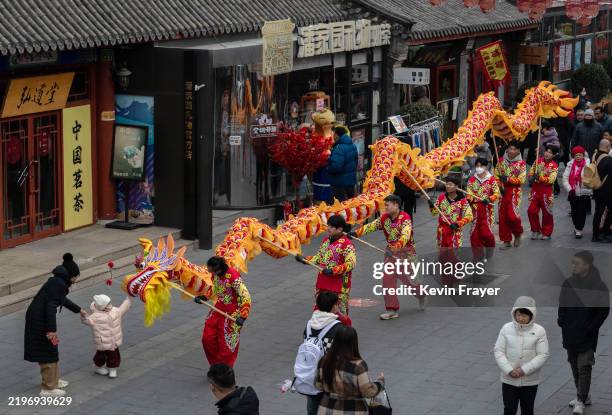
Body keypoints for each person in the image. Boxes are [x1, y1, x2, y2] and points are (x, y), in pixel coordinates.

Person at [351, 194, 426, 319]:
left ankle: (421, 294)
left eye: (387, 205)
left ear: (396, 205)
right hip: (390, 253)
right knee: (387, 279)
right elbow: (371, 226)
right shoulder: (384, 218)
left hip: (406, 252)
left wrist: (396, 248)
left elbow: (405, 236)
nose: (385, 207)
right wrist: (356, 233)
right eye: (384, 205)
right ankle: (392, 309)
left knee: (409, 280)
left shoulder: (405, 218)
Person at [24, 253, 86, 397]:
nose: (76, 280)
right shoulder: (58, 284)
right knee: (47, 353)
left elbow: (61, 300)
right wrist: (51, 330)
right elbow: (50, 308)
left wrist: (79, 310)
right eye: (76, 277)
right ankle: (48, 388)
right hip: (39, 321)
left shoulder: (57, 282)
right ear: (70, 275)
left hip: (39, 318)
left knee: (52, 351)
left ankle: (54, 381)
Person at [558, 251, 610, 414]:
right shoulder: (568, 283)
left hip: (587, 335)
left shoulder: (599, 286)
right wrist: (562, 320)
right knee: (574, 366)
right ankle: (584, 396)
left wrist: (591, 327)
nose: (573, 266)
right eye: (573, 263)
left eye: (577, 263)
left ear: (587, 265)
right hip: (570, 333)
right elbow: (562, 303)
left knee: (584, 367)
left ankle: (580, 399)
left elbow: (603, 311)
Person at [494, 296, 549, 415]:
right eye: (518, 314)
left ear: (531, 315)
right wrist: (509, 370)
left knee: (527, 410)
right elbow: (499, 351)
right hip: (509, 380)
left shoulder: (539, 331)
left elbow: (543, 355)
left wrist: (523, 370)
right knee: (509, 410)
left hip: (530, 381)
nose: (520, 318)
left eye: (524, 315)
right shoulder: (506, 328)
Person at [194, 256, 252, 367]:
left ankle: (224, 371)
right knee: (207, 339)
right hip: (217, 310)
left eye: (213, 271)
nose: (212, 274)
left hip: (232, 314)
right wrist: (205, 297)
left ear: (218, 269)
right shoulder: (216, 275)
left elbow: (246, 296)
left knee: (227, 346)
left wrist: (243, 316)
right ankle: (216, 366)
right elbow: (216, 288)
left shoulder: (234, 276)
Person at [297, 215, 356, 317]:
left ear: (340, 229)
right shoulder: (326, 240)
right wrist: (305, 259)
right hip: (323, 282)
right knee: (321, 312)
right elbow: (319, 258)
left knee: (339, 314)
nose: (328, 228)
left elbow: (351, 263)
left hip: (339, 285)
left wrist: (333, 270)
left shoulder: (347, 244)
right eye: (328, 225)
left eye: (331, 226)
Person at [315, 326, 384, 414]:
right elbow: (368, 392)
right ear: (354, 343)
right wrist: (380, 383)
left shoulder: (324, 361)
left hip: (326, 410)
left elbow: (318, 385)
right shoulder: (358, 366)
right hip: (352, 410)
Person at [301, 292, 345, 415]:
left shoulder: (309, 325)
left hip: (311, 373)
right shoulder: (337, 328)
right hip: (330, 376)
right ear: (334, 306)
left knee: (312, 407)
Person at [80, 294, 131, 379]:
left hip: (113, 341)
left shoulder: (115, 311)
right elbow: (87, 321)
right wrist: (84, 317)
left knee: (114, 356)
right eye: (107, 304)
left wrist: (128, 300)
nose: (109, 305)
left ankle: (112, 370)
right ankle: (98, 367)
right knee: (100, 356)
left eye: (109, 303)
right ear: (101, 306)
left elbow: (123, 309)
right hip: (102, 341)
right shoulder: (95, 316)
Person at [429, 176, 473, 268]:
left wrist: (458, 223)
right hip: (442, 231)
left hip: (455, 232)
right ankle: (445, 276)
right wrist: (431, 205)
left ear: (456, 186)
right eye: (446, 184)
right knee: (443, 254)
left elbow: (469, 216)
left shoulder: (463, 201)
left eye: (450, 184)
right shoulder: (441, 198)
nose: (447, 186)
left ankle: (456, 276)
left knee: (454, 255)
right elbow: (434, 213)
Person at [466, 158, 500, 260]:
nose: (479, 168)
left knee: (487, 233)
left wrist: (489, 199)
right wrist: (470, 199)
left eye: (481, 166)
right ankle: (478, 255)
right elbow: (469, 193)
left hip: (487, 211)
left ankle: (489, 249)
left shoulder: (491, 180)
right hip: (475, 211)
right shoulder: (471, 180)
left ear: (486, 167)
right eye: (477, 166)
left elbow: (497, 193)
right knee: (474, 234)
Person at [495, 142, 527, 249]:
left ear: (518, 151)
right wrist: (499, 186)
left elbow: (522, 180)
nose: (511, 151)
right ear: (507, 150)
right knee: (502, 216)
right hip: (502, 191)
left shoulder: (521, 164)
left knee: (512, 216)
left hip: (514, 192)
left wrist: (509, 179)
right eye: (510, 148)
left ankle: (518, 233)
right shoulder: (500, 161)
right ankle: (506, 240)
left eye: (514, 149)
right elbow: (496, 176)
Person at [527, 146, 559, 240]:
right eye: (546, 151)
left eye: (550, 152)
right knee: (531, 211)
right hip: (535, 190)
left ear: (553, 155)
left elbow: (551, 180)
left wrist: (540, 177)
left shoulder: (554, 165)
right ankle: (535, 230)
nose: (547, 153)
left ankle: (547, 232)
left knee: (547, 213)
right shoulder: (537, 161)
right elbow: (530, 173)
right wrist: (532, 177)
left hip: (546, 191)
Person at [563, 146, 592, 239]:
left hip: (584, 193)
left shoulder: (588, 165)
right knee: (574, 212)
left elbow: (591, 178)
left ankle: (579, 229)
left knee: (582, 212)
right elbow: (565, 178)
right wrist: (569, 189)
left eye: (580, 155)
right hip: (573, 192)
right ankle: (576, 226)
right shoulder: (570, 165)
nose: (578, 156)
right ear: (573, 156)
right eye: (576, 155)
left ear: (583, 155)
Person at [327, 126, 358, 202]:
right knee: (350, 207)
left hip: (339, 184)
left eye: (333, 134)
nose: (333, 136)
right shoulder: (353, 145)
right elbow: (356, 162)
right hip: (351, 183)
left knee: (339, 208)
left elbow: (336, 166)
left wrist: (327, 168)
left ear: (337, 135)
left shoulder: (339, 147)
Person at [591, 139, 612, 242]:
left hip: (596, 188)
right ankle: (605, 232)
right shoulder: (608, 159)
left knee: (598, 212)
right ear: (608, 147)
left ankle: (595, 235)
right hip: (607, 191)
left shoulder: (594, 156)